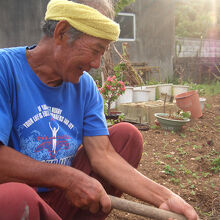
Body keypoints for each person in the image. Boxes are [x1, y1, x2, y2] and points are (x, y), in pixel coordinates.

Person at [0, 0, 199, 219]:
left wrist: (164, 197)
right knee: (14, 197)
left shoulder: (84, 86)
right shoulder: (5, 69)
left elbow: (103, 154)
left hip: (64, 200)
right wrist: (67, 177)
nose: (96, 64)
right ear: (62, 32)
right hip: (21, 206)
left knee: (127, 137)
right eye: (96, 50)